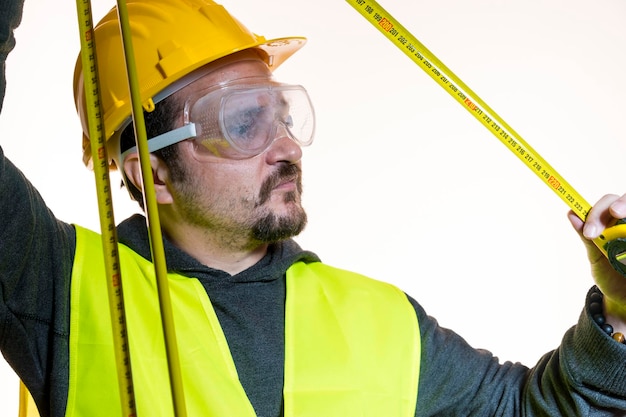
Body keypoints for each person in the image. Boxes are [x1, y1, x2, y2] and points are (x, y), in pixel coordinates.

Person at [1, 0, 626, 415]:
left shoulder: (382, 322)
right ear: (152, 169)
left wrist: (621, 315)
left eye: (284, 112)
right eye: (244, 121)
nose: (287, 146)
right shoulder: (63, 288)